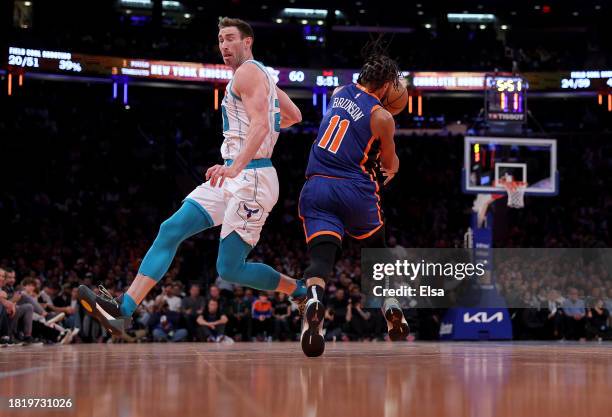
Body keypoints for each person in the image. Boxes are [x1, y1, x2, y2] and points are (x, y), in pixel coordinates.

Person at [77, 17, 306, 336]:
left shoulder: (249, 71)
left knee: (229, 268)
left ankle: (299, 290)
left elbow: (262, 125)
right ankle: (124, 310)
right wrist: (244, 151)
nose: (224, 45)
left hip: (250, 178)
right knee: (171, 229)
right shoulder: (262, 76)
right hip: (234, 173)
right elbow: (293, 116)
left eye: (230, 38)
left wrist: (239, 162)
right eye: (220, 39)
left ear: (247, 42)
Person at [298, 48, 408, 356]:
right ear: (386, 86)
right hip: (354, 191)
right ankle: (390, 307)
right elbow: (389, 164)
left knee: (320, 259)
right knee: (377, 253)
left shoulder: (337, 91)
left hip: (317, 186)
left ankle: (316, 300)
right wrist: (394, 162)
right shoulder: (383, 117)